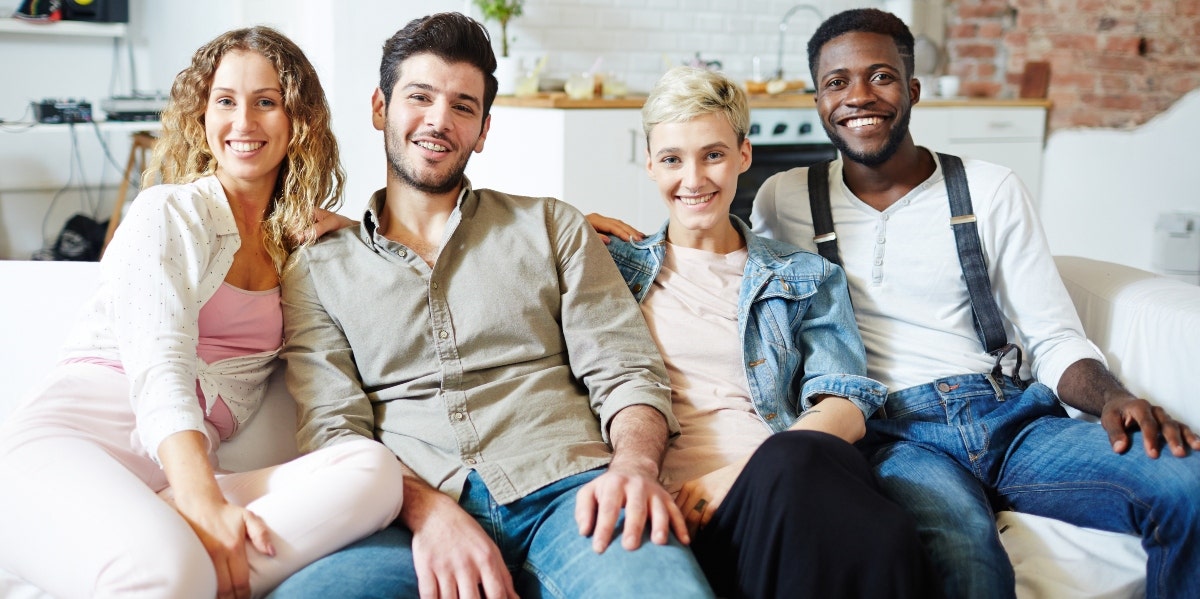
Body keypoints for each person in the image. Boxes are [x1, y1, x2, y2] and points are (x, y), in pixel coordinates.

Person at [593, 9, 1200, 599]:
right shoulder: (786, 197)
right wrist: (572, 234)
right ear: (819, 102)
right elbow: (711, 253)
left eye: (880, 76)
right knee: (967, 561)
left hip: (1001, 416)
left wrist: (1115, 397)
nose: (859, 96)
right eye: (837, 82)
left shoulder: (989, 189)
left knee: (1188, 485)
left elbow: (1053, 335)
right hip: (895, 435)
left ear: (912, 88)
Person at [270, 12, 712, 599]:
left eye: (462, 106)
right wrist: (428, 513)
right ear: (380, 108)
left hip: (572, 493)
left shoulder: (552, 226)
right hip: (405, 513)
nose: (438, 120)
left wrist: (634, 467)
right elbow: (334, 429)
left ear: (482, 129)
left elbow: (627, 372)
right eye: (419, 97)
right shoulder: (321, 269)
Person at [0, 27, 405, 599]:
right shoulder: (167, 212)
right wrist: (202, 500)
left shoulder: (296, 247)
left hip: (172, 486)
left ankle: (145, 569)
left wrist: (362, 235)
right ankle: (160, 566)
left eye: (266, 101)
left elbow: (404, 270)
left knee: (375, 474)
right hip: (72, 448)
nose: (244, 122)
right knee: (171, 572)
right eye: (225, 101)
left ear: (297, 121)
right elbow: (159, 365)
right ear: (201, 115)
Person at [596, 65, 938, 599]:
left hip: (782, 486)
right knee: (876, 529)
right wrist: (562, 223)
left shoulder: (806, 276)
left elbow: (843, 404)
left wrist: (735, 474)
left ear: (743, 156)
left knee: (843, 497)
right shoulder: (612, 268)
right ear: (649, 166)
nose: (693, 179)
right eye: (671, 160)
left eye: (712, 154)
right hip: (672, 503)